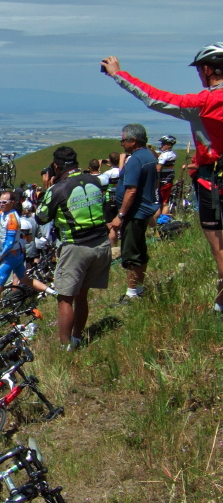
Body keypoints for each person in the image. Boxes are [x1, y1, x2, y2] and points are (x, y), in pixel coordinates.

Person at [103, 47, 223, 312]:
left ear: (207, 69)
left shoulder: (205, 102)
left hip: (213, 181)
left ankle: (221, 304)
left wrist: (118, 74)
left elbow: (154, 98)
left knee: (219, 247)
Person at [32, 147, 111, 349]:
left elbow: (41, 217)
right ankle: (77, 338)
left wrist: (46, 188)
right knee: (82, 295)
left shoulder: (58, 189)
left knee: (65, 298)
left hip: (76, 247)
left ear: (56, 166)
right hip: (101, 243)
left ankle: (65, 347)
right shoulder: (95, 181)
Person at [0, 191, 56, 317]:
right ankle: (52, 292)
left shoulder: (12, 218)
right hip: (16, 254)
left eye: (4, 202)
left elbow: (10, 242)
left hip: (10, 256)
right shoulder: (3, 213)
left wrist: (0, 257)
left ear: (12, 203)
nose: (1, 204)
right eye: (0, 202)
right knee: (25, 279)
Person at [111, 124, 159, 303]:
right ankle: (138, 289)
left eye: (123, 140)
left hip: (134, 213)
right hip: (142, 210)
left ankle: (131, 294)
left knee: (131, 253)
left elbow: (131, 190)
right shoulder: (149, 156)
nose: (122, 143)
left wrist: (121, 215)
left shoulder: (136, 160)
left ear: (133, 140)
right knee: (139, 249)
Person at [155, 135, 178, 216]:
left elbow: (158, 169)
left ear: (169, 145)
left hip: (161, 181)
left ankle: (157, 220)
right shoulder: (173, 154)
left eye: (163, 144)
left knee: (158, 202)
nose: (161, 145)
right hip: (169, 179)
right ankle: (163, 220)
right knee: (165, 202)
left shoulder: (164, 155)